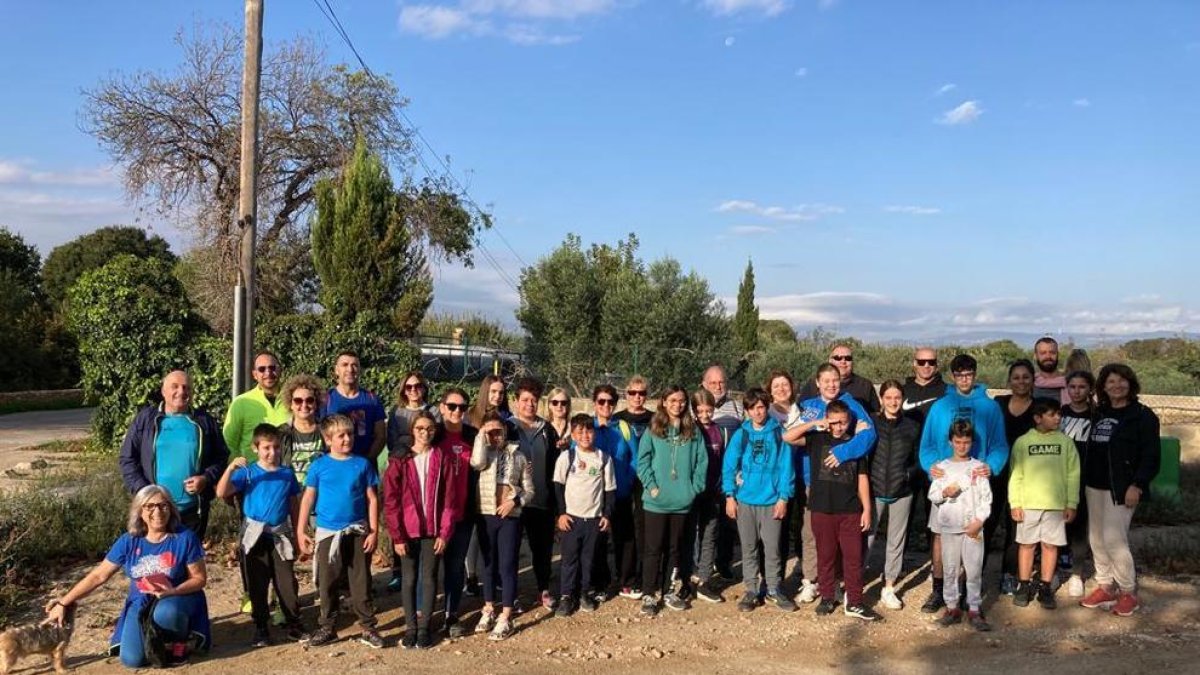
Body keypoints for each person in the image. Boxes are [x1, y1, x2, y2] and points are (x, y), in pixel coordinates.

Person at [44, 486, 211, 669]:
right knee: (132, 659)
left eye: (163, 505)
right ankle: (153, 640)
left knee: (167, 613)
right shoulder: (129, 541)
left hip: (177, 597)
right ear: (140, 511)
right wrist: (63, 603)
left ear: (171, 508)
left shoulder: (184, 538)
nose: (158, 512)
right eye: (150, 507)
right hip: (141, 601)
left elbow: (199, 579)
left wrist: (173, 590)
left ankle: (178, 641)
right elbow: (98, 576)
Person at [917, 354, 1008, 614]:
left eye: (968, 374)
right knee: (940, 538)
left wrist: (992, 465)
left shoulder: (989, 407)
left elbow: (1001, 445)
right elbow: (927, 446)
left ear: (975, 374)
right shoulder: (940, 406)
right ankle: (940, 590)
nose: (964, 379)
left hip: (974, 484)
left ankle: (970, 592)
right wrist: (932, 466)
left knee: (973, 534)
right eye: (959, 374)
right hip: (945, 485)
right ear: (953, 376)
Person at [784, 364, 876, 604]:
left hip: (842, 482)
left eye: (835, 380)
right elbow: (791, 435)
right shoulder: (809, 407)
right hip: (810, 480)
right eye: (826, 380)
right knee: (812, 535)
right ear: (817, 382)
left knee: (839, 538)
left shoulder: (852, 405)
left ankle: (835, 583)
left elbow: (868, 434)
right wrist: (815, 424)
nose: (831, 384)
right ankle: (811, 581)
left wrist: (844, 451)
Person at [1079, 364, 1160, 617]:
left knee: (1115, 539)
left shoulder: (1143, 416)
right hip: (1094, 485)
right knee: (1096, 538)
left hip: (1123, 488)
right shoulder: (1099, 413)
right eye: (1110, 382)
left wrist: (1138, 484)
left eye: (1122, 380)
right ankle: (1105, 585)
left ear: (1131, 383)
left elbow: (1151, 456)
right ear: (1103, 387)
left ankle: (1127, 591)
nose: (1117, 386)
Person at [215, 424, 306, 647]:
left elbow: (294, 504)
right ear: (256, 448)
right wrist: (230, 469)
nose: (272, 453)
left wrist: (299, 533)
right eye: (266, 448)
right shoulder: (248, 473)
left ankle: (293, 622)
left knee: (286, 581)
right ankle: (261, 627)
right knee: (257, 583)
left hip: (279, 535)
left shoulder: (286, 474)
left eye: (276, 447)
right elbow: (221, 492)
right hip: (254, 536)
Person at [297, 414, 383, 649]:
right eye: (341, 435)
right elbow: (308, 498)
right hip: (328, 533)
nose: (347, 439)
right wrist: (301, 530)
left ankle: (368, 627)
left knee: (361, 581)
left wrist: (374, 531)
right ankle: (327, 626)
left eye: (350, 434)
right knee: (327, 582)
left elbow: (372, 499)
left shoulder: (362, 464)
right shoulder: (319, 466)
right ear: (327, 439)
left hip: (357, 531)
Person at [119, 370, 229, 540]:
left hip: (192, 513)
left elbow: (221, 456)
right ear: (163, 391)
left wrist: (206, 478)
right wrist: (144, 491)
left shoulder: (204, 421)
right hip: (154, 512)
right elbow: (128, 458)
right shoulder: (146, 420)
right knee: (157, 564)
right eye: (175, 387)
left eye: (186, 388)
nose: (181, 392)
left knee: (189, 564)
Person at [794, 400, 879, 621]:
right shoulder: (816, 439)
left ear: (849, 421)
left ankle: (855, 601)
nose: (838, 427)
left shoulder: (855, 445)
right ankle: (827, 597)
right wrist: (816, 422)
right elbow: (787, 437)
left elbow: (862, 479)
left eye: (843, 422)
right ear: (828, 420)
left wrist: (867, 509)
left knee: (853, 558)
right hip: (821, 508)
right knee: (826, 556)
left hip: (850, 510)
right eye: (834, 422)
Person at [384, 411, 458, 650]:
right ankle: (411, 627)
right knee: (408, 579)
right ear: (412, 430)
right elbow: (391, 500)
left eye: (429, 429)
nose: (425, 433)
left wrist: (445, 532)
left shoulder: (441, 457)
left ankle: (425, 627)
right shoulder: (400, 460)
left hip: (433, 530)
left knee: (429, 578)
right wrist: (396, 535)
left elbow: (450, 499)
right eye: (420, 429)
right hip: (407, 531)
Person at [722, 388, 796, 613]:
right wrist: (729, 496)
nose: (758, 412)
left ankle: (773, 588)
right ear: (747, 410)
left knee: (772, 549)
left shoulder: (777, 433)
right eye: (753, 408)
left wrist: (784, 497)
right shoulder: (741, 435)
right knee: (748, 548)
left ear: (767, 407)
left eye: (762, 407)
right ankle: (751, 589)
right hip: (745, 501)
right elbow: (729, 465)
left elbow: (786, 468)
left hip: (771, 501)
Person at [637, 385, 707, 616]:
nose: (678, 405)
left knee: (675, 549)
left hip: (682, 502)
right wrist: (653, 487)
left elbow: (701, 463)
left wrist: (693, 489)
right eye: (673, 400)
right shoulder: (654, 429)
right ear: (664, 403)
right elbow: (643, 462)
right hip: (656, 502)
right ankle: (649, 593)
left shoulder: (693, 431)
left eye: (681, 401)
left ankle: (669, 590)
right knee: (653, 549)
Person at [1009, 399, 1080, 610]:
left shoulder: (1066, 442)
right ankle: (1023, 585)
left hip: (1055, 506)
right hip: (1028, 504)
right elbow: (1016, 475)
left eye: (1059, 414)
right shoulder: (1023, 442)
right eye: (1052, 414)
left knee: (1050, 546)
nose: (1057, 418)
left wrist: (1071, 503)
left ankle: (1046, 586)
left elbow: (1073, 474)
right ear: (1037, 418)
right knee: (1027, 545)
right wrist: (1015, 503)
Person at [471, 412, 535, 641]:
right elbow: (476, 463)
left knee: (507, 564)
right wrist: (481, 436)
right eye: (490, 432)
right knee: (488, 564)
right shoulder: (483, 453)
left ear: (506, 432)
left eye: (499, 431)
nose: (495, 436)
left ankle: (506, 614)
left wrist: (514, 501)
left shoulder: (518, 456)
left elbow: (530, 490)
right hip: (486, 514)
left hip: (510, 516)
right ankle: (488, 607)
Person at [929, 420, 993, 632]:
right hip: (949, 527)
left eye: (966, 442)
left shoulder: (977, 468)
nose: (962, 446)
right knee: (950, 569)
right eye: (958, 442)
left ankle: (974, 608)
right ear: (951, 442)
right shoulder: (942, 468)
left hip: (972, 528)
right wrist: (944, 493)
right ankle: (951, 606)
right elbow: (933, 495)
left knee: (973, 569)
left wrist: (979, 521)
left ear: (971, 442)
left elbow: (986, 499)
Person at [553, 413, 616, 617]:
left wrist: (606, 515)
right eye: (580, 431)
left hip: (593, 519)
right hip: (571, 519)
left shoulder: (603, 458)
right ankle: (566, 596)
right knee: (569, 560)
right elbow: (557, 487)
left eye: (589, 431)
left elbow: (610, 490)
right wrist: (561, 514)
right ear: (572, 435)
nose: (585, 435)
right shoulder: (567, 457)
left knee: (588, 560)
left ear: (594, 433)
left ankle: (584, 593)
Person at [506, 377, 562, 610]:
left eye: (534, 400)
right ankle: (511, 596)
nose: (530, 404)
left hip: (541, 499)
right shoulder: (507, 427)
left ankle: (543, 590)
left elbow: (555, 465)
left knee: (542, 549)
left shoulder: (547, 429)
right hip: (513, 501)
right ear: (516, 401)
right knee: (510, 550)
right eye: (525, 400)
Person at [866, 380, 921, 610]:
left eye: (897, 397)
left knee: (895, 542)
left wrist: (908, 476)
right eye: (888, 397)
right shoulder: (871, 424)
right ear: (881, 399)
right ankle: (854, 585)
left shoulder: (912, 425)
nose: (893, 402)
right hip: (873, 489)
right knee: (866, 538)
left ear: (903, 399)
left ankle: (888, 587)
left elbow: (919, 458)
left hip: (902, 491)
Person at [385, 370, 441, 592]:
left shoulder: (433, 411)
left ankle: (423, 572)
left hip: (427, 464)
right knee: (398, 513)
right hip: (403, 465)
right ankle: (398, 570)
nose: (413, 390)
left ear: (424, 388)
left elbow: (436, 436)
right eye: (409, 387)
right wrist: (407, 450)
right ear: (403, 390)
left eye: (417, 386)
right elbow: (391, 443)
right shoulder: (397, 412)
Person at [434, 387, 479, 638]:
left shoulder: (472, 436)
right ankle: (423, 614)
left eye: (462, 407)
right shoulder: (433, 435)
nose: (457, 412)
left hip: (463, 512)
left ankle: (451, 614)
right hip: (434, 515)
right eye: (452, 406)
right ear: (442, 407)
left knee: (455, 565)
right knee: (428, 568)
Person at [993, 359, 1037, 594]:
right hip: (996, 473)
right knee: (986, 524)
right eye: (1016, 377)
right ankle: (973, 574)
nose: (1021, 381)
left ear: (1033, 381)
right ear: (1009, 381)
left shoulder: (1038, 408)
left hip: (1024, 478)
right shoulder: (998, 404)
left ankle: (1008, 574)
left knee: (1015, 528)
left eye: (1025, 377)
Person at [587, 384, 633, 599]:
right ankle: (601, 584)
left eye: (610, 402)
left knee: (624, 539)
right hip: (595, 496)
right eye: (601, 401)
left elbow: (636, 459)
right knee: (598, 541)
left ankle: (625, 581)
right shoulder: (587, 427)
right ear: (594, 403)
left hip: (621, 493)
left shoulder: (623, 427)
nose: (606, 405)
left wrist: (629, 483)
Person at [613, 374, 655, 597]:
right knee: (622, 529)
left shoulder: (655, 418)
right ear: (626, 394)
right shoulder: (616, 419)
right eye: (633, 393)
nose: (637, 397)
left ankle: (642, 575)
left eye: (642, 393)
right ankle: (623, 577)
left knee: (644, 529)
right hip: (622, 480)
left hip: (646, 482)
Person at [901, 347, 946, 551]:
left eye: (931, 362)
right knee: (903, 516)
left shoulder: (946, 392)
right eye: (921, 362)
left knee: (936, 517)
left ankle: (935, 565)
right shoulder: (903, 392)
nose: (926, 366)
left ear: (937, 364)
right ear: (914, 363)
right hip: (907, 461)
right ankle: (896, 565)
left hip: (936, 463)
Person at [1058, 370, 1096, 597]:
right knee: (1058, 524)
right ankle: (1053, 570)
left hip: (1086, 479)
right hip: (1059, 478)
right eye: (1072, 387)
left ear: (1090, 389)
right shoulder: (1060, 414)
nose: (1076, 391)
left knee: (1081, 525)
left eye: (1081, 387)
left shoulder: (1096, 416)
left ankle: (1076, 573)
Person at [691, 388, 727, 604]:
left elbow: (724, 460)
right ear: (694, 410)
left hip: (713, 491)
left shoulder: (720, 432)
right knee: (690, 534)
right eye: (700, 410)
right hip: (692, 492)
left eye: (709, 410)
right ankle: (688, 574)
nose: (705, 415)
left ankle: (704, 579)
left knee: (709, 534)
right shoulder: (690, 430)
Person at [224, 351, 290, 460]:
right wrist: (237, 472)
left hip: (286, 473)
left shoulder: (294, 401)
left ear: (279, 370)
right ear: (255, 374)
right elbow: (228, 444)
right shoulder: (241, 403)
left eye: (272, 368)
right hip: (252, 474)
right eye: (262, 369)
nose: (268, 373)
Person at [325, 351, 386, 463]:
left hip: (365, 469)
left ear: (360, 370)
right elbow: (321, 434)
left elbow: (381, 436)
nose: (350, 369)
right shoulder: (326, 399)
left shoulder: (372, 399)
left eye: (354, 365)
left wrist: (366, 462)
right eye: (345, 365)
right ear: (336, 370)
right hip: (334, 468)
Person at [797, 344, 881, 414]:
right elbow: (800, 410)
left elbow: (875, 413)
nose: (843, 361)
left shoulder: (865, 385)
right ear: (830, 361)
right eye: (838, 358)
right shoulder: (813, 384)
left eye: (848, 358)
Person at [277, 374, 327, 484]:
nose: (304, 405)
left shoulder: (327, 431)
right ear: (291, 404)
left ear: (316, 403)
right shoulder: (280, 434)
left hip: (320, 496)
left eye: (309, 400)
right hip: (290, 496)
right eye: (298, 401)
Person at [702, 364, 744, 442]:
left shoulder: (738, 407)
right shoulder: (695, 408)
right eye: (713, 383)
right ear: (705, 385)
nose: (718, 387)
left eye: (721, 382)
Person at [1032, 337, 1070, 405]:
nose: (1048, 356)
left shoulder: (1070, 384)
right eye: (1043, 353)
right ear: (1035, 356)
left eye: (1052, 352)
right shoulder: (1030, 385)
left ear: (1058, 354)